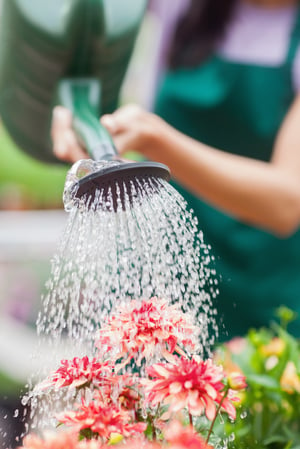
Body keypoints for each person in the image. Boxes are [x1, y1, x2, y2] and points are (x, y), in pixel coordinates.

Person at [51, 0, 300, 341]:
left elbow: (287, 202)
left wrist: (156, 139)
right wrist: (69, 102)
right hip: (154, 267)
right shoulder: (180, 6)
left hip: (262, 290)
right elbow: (76, 17)